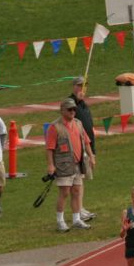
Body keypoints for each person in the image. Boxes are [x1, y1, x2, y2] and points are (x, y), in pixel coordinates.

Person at [45, 98, 96, 232]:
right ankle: (60, 221)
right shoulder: (54, 127)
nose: (73, 111)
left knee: (77, 191)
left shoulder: (78, 123)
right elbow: (49, 148)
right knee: (65, 192)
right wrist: (50, 165)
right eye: (69, 109)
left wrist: (91, 157)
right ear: (62, 111)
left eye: (74, 109)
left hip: (78, 163)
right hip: (63, 165)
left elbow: (86, 141)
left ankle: (76, 219)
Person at [69, 76, 97, 223]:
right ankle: (78, 210)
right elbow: (70, 114)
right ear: (74, 87)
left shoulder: (84, 105)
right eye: (79, 86)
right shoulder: (71, 103)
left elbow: (89, 130)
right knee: (77, 181)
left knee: (82, 180)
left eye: (84, 86)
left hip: (86, 148)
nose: (81, 89)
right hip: (77, 149)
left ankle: (81, 207)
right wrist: (77, 100)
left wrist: (93, 152)